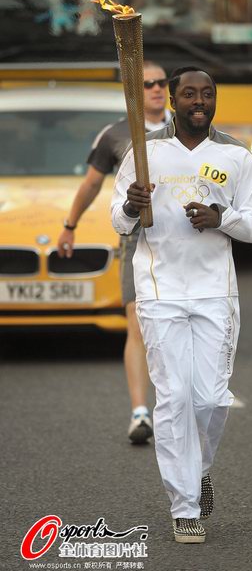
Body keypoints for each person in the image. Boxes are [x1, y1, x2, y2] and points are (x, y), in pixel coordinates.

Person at [111, 66, 252, 543]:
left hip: (216, 293)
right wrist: (133, 207)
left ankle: (198, 469)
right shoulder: (145, 151)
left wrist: (223, 218)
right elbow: (118, 222)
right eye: (189, 94)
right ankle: (185, 507)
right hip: (159, 293)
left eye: (208, 94)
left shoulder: (236, 156)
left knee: (212, 398)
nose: (199, 101)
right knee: (174, 396)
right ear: (174, 100)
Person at [57, 61, 171, 444]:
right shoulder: (116, 135)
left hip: (181, 242)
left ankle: (177, 405)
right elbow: (91, 185)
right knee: (137, 323)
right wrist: (70, 226)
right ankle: (141, 413)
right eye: (148, 85)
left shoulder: (185, 131)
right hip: (137, 239)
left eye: (161, 83)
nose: (157, 89)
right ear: (134, 92)